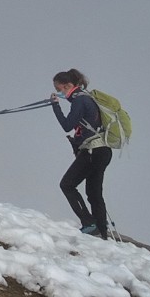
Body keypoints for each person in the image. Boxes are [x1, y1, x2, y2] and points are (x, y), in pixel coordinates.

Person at [50, 68, 112, 239]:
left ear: (68, 85)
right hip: (103, 150)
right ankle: (101, 231)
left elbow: (67, 125)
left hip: (93, 151)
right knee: (94, 192)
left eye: (59, 89)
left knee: (67, 184)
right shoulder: (87, 98)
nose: (58, 92)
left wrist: (55, 106)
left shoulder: (79, 100)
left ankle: (89, 223)